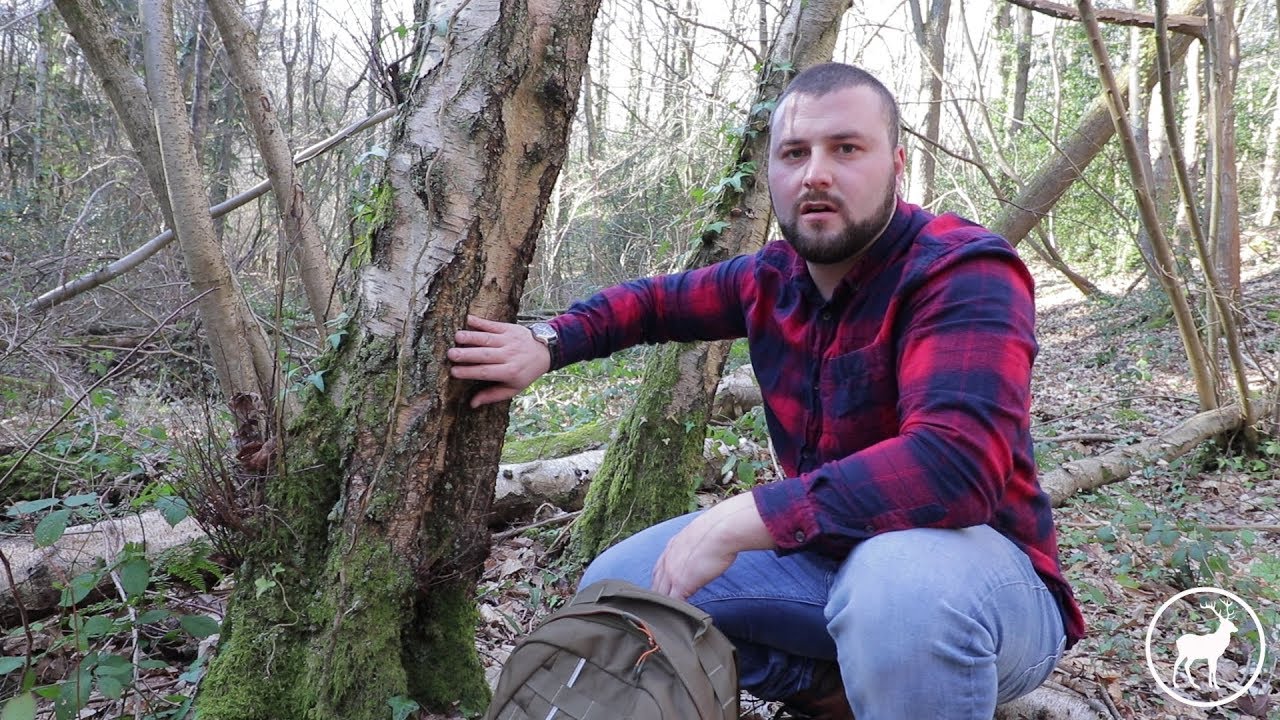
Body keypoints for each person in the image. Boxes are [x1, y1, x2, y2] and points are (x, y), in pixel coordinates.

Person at [448, 63, 1085, 720]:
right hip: (829, 564)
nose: (816, 173)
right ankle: (834, 694)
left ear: (896, 164)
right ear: (773, 174)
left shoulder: (961, 269)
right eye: (794, 153)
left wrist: (742, 519)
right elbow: (650, 305)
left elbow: (954, 466)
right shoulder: (770, 280)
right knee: (621, 592)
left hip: (983, 585)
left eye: (846, 149)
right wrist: (548, 341)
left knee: (897, 588)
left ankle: (910, 671)